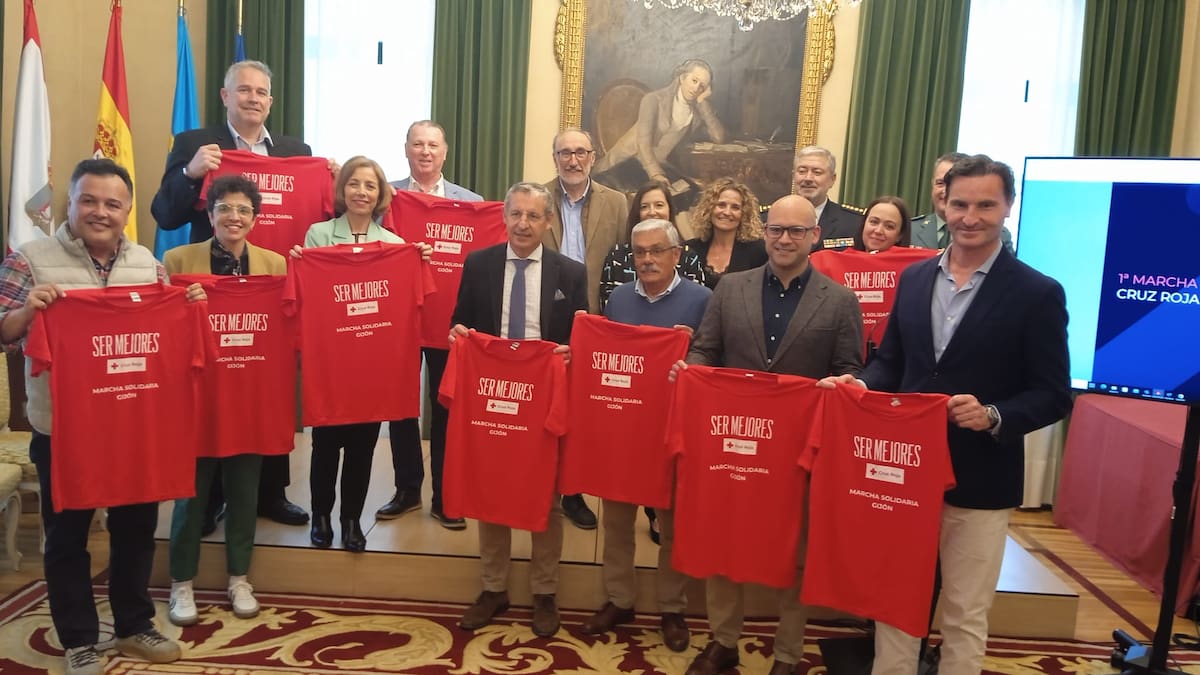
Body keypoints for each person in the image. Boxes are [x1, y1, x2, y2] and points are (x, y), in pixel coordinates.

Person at [822, 155, 1071, 675]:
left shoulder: (1037, 292)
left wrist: (995, 414)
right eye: (959, 204)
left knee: (963, 613)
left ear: (1007, 207)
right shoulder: (912, 280)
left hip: (980, 478)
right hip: (903, 475)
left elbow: (1052, 393)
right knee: (893, 604)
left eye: (986, 204)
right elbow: (892, 361)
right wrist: (860, 384)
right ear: (943, 204)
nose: (970, 216)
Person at [0, 159, 199, 675]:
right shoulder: (31, 258)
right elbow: (3, 329)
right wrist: (28, 314)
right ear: (70, 203)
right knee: (66, 537)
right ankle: (79, 638)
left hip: (136, 424)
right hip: (64, 428)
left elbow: (168, 331)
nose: (100, 212)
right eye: (89, 200)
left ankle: (134, 625)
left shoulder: (148, 265)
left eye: (113, 204)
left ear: (128, 211)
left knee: (135, 530)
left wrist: (188, 303)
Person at [678, 194, 863, 675]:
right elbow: (706, 350)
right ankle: (723, 641)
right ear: (764, 233)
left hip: (800, 452)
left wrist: (839, 386)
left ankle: (787, 652)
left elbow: (849, 370)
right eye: (776, 229)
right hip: (733, 445)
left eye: (796, 231)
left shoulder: (840, 300)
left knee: (796, 553)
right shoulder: (731, 288)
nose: (784, 238)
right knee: (725, 543)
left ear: (814, 237)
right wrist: (691, 373)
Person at [150, 59, 317, 528]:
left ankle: (270, 493)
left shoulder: (294, 150)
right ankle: (209, 497)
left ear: (271, 101)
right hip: (212, 286)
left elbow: (315, 213)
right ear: (225, 96)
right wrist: (189, 173)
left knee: (268, 385)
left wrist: (335, 181)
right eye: (243, 90)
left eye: (262, 92)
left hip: (272, 284)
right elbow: (164, 214)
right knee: (214, 389)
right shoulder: (194, 145)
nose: (253, 98)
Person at [450, 181, 588, 638]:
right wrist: (458, 337)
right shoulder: (479, 264)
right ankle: (494, 587)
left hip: (543, 399)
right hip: (492, 397)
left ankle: (544, 591)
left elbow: (581, 335)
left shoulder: (570, 272)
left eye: (533, 216)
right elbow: (461, 320)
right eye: (516, 215)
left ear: (548, 222)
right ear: (504, 217)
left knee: (545, 497)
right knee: (491, 491)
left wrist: (570, 351)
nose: (523, 224)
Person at [162, 175, 286, 628]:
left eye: (243, 210)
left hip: (250, 393)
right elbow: (163, 331)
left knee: (244, 490)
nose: (234, 217)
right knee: (190, 495)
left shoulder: (275, 266)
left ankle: (239, 577)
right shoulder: (178, 260)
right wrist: (182, 302)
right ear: (209, 213)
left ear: (255, 217)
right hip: (197, 396)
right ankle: (181, 582)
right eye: (224, 208)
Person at [583, 218, 711, 650]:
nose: (648, 260)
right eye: (640, 252)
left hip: (674, 431)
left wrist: (691, 353)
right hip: (623, 430)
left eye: (657, 251)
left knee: (671, 527)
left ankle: (672, 608)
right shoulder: (618, 298)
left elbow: (715, 360)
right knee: (616, 523)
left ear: (677, 255)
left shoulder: (703, 300)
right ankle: (619, 598)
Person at [295, 156, 405, 553]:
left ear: (380, 196)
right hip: (331, 362)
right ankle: (321, 517)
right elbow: (312, 299)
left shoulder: (395, 246)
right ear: (342, 190)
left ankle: (351, 521)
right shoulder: (318, 235)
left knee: (362, 447)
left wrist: (417, 262)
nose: (362, 192)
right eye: (354, 184)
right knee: (325, 445)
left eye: (370, 186)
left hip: (372, 366)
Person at [376, 120, 481, 530]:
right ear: (406, 149)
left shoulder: (471, 204)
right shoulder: (388, 199)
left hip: (450, 319)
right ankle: (406, 491)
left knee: (446, 409)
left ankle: (445, 495)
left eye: (432, 145)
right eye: (417, 144)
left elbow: (479, 268)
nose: (425, 151)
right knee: (401, 406)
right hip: (400, 319)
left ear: (445, 151)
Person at [542, 128, 628, 530]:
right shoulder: (536, 199)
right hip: (543, 321)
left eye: (580, 153)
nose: (572, 161)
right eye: (564, 153)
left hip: (594, 321)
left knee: (578, 412)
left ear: (593, 157)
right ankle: (541, 486)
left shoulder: (617, 202)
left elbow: (622, 260)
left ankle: (573, 493)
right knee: (543, 408)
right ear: (554, 157)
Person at [593, 59, 726, 190]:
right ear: (682, 78)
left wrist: (702, 102)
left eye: (702, 86)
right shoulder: (653, 100)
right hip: (627, 163)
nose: (696, 88)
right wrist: (655, 173)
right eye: (694, 81)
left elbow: (718, 137)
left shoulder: (695, 113)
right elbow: (643, 143)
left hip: (657, 166)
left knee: (692, 192)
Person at [598, 180, 707, 309]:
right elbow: (608, 307)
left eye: (659, 205)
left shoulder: (688, 257)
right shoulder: (617, 256)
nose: (652, 212)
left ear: (669, 210)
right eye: (644, 207)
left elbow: (697, 307)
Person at [911, 152, 1013, 252]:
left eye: (985, 205)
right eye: (940, 183)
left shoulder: (999, 234)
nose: (946, 191)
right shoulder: (910, 229)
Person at [684, 178, 768, 289]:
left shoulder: (759, 251)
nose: (727, 212)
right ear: (709, 209)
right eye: (721, 205)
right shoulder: (690, 249)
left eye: (735, 207)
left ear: (744, 213)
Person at [791, 145, 865, 251]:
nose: (808, 178)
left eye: (817, 172)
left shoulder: (854, 222)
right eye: (802, 171)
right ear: (794, 176)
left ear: (832, 179)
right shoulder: (769, 218)